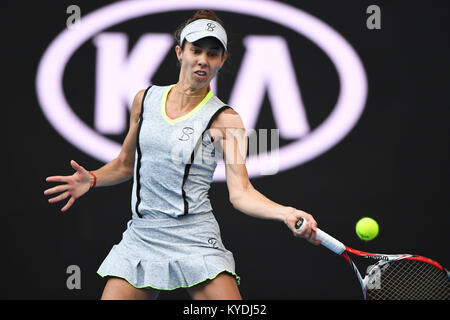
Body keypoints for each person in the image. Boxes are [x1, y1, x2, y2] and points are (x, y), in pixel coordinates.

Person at [44, 10, 320, 300]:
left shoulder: (226, 120)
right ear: (180, 52)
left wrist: (286, 212)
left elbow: (241, 192)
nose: (203, 59)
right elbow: (126, 164)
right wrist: (94, 179)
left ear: (222, 61)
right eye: (196, 50)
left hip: (195, 239)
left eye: (213, 54)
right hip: (142, 236)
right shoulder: (144, 100)